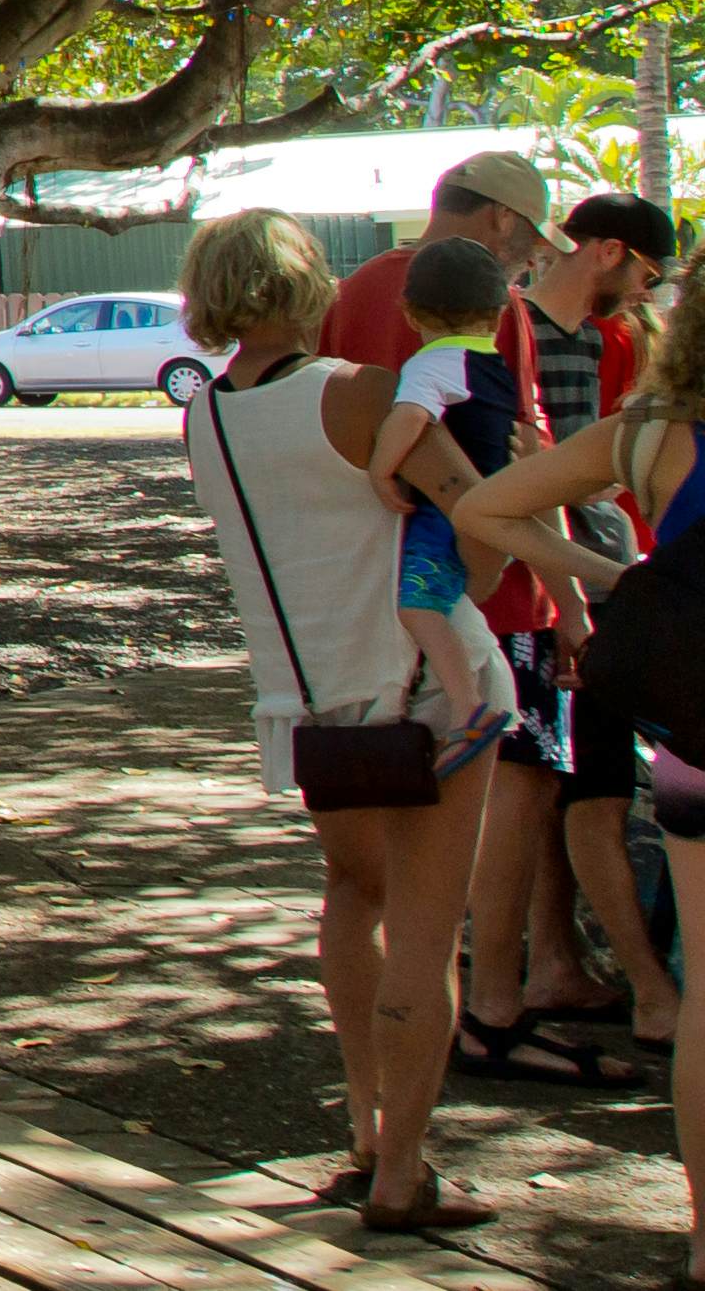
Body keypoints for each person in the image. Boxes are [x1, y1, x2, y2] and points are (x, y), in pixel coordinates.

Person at [207, 208, 619, 1236]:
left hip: (313, 699)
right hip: (429, 694)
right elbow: (482, 542)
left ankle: (361, 1133)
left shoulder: (202, 412)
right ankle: (403, 1171)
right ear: (308, 285)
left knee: (353, 897)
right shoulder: (361, 392)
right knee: (429, 934)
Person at [521, 195, 679, 1050]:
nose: (645, 292)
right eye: (644, 273)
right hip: (563, 592)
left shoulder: (600, 336)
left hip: (603, 583)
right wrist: (576, 604)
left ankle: (563, 957)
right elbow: (522, 486)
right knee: (587, 787)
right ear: (609, 250)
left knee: (578, 784)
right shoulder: (519, 331)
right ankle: (647, 987)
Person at [366, 240, 520, 760]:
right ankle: (464, 698)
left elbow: (411, 415)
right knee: (450, 603)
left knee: (416, 605)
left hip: (444, 515)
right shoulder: (495, 365)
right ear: (499, 311)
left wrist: (381, 468)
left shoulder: (433, 363)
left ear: (410, 312)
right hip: (497, 506)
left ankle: (469, 704)